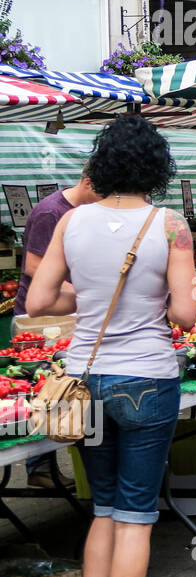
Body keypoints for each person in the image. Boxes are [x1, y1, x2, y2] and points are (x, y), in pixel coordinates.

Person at [27, 116, 196, 577]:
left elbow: (39, 302)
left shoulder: (71, 220)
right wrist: (182, 296)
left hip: (85, 378)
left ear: (102, 166)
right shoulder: (170, 224)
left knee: (103, 506)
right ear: (156, 168)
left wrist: (89, 297)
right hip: (147, 378)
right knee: (136, 512)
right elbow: (185, 315)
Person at [15, 171, 99, 488]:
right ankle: (39, 469)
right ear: (88, 182)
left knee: (67, 387)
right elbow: (34, 266)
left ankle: (62, 462)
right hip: (39, 317)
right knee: (47, 388)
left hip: (65, 309)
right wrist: (84, 290)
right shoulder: (51, 212)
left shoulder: (85, 213)